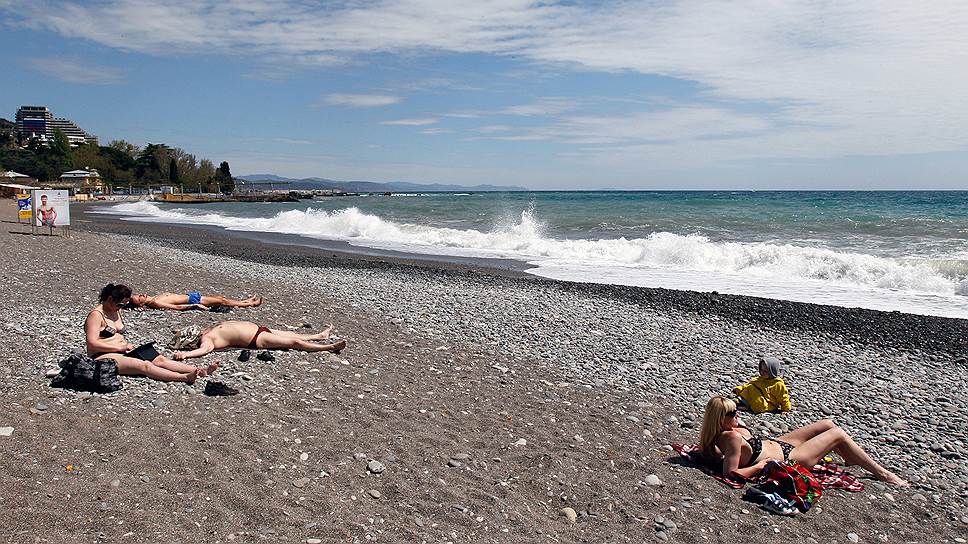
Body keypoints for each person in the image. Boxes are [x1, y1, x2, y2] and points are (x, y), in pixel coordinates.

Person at [699, 396, 908, 486]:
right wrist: (761, 466)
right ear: (720, 419)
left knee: (827, 424)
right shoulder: (732, 437)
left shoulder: (724, 429)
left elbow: (716, 450)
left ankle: (850, 457)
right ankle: (883, 474)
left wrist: (736, 420)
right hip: (790, 457)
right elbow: (731, 474)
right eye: (733, 413)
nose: (738, 414)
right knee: (838, 434)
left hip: (775, 444)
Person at [86, 283, 218, 383]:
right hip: (102, 355)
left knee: (160, 359)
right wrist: (119, 347)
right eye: (120, 304)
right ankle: (184, 377)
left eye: (124, 305)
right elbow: (92, 344)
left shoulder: (116, 310)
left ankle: (200, 370)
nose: (121, 307)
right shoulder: (96, 315)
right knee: (145, 366)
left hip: (123, 350)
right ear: (109, 299)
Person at [170, 321, 346, 360]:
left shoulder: (205, 330)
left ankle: (320, 336)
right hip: (256, 339)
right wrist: (185, 356)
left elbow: (178, 333)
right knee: (294, 343)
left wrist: (176, 333)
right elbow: (204, 351)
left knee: (294, 335)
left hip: (259, 329)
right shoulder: (207, 340)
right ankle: (329, 348)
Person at [130, 292, 263, 311]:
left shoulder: (154, 298)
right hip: (192, 299)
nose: (141, 295)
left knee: (221, 299)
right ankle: (250, 304)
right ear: (142, 303)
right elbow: (175, 307)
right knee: (222, 301)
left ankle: (246, 301)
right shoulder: (155, 302)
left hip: (191, 295)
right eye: (139, 298)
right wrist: (194, 306)